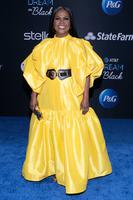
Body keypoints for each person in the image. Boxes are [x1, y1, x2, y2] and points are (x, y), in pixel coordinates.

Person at [22, 6, 112, 194]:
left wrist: (86, 97)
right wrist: (33, 97)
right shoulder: (43, 46)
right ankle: (52, 167)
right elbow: (36, 74)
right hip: (48, 95)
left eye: (65, 19)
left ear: (71, 23)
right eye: (57, 19)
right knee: (50, 128)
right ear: (52, 23)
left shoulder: (80, 45)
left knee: (70, 131)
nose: (61, 23)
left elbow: (87, 73)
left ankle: (71, 172)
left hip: (71, 96)